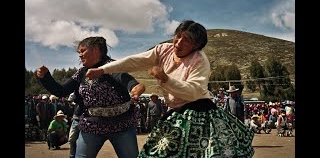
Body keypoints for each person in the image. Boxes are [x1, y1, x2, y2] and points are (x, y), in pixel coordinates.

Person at [86, 20, 255, 157]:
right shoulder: (163, 50)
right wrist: (103, 69)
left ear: (196, 45)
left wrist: (166, 79)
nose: (179, 42)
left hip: (200, 111)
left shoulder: (199, 60)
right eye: (178, 36)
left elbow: (194, 91)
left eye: (186, 40)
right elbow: (134, 61)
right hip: (175, 111)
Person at [36, 36, 145, 158]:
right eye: (79, 52)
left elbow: (127, 80)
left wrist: (135, 88)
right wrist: (46, 77)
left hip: (121, 125)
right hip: (92, 126)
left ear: (96, 50)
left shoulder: (112, 66)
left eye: (83, 51)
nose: (80, 55)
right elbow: (61, 91)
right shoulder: (81, 73)